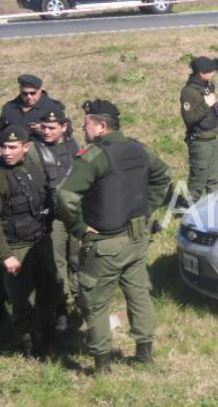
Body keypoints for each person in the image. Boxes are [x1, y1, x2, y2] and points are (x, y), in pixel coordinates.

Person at [56, 99, 172, 374]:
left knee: (96, 303)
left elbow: (65, 196)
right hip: (137, 239)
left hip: (105, 244)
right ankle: (144, 354)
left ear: (102, 126)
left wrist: (79, 229)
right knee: (139, 294)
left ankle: (102, 366)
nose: (83, 129)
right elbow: (163, 176)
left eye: (86, 124)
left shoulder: (95, 156)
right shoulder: (138, 149)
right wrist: (147, 210)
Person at [0, 125, 60, 358]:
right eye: (3, 147)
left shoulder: (33, 168)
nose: (6, 152)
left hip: (40, 240)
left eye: (12, 147)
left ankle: (47, 336)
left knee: (50, 288)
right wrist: (6, 255)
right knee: (21, 299)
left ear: (25, 147)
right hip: (16, 246)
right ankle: (29, 347)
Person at [33, 109, 80, 334]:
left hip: (78, 213)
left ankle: (81, 304)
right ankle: (62, 308)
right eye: (43, 127)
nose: (46, 131)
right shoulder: (37, 151)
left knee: (78, 260)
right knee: (57, 263)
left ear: (64, 127)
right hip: (54, 217)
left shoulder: (74, 147)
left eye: (52, 127)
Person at [180, 56, 218, 202]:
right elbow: (189, 119)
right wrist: (206, 105)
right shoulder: (189, 92)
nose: (213, 73)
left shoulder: (208, 86)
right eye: (210, 71)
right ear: (200, 73)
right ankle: (185, 211)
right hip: (200, 142)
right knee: (197, 182)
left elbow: (212, 104)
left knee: (214, 180)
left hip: (212, 139)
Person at [1, 74, 67, 141]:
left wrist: (43, 130)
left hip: (42, 148)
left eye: (32, 93)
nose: (29, 97)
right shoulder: (9, 107)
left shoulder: (53, 107)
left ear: (40, 90)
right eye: (25, 93)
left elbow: (67, 133)